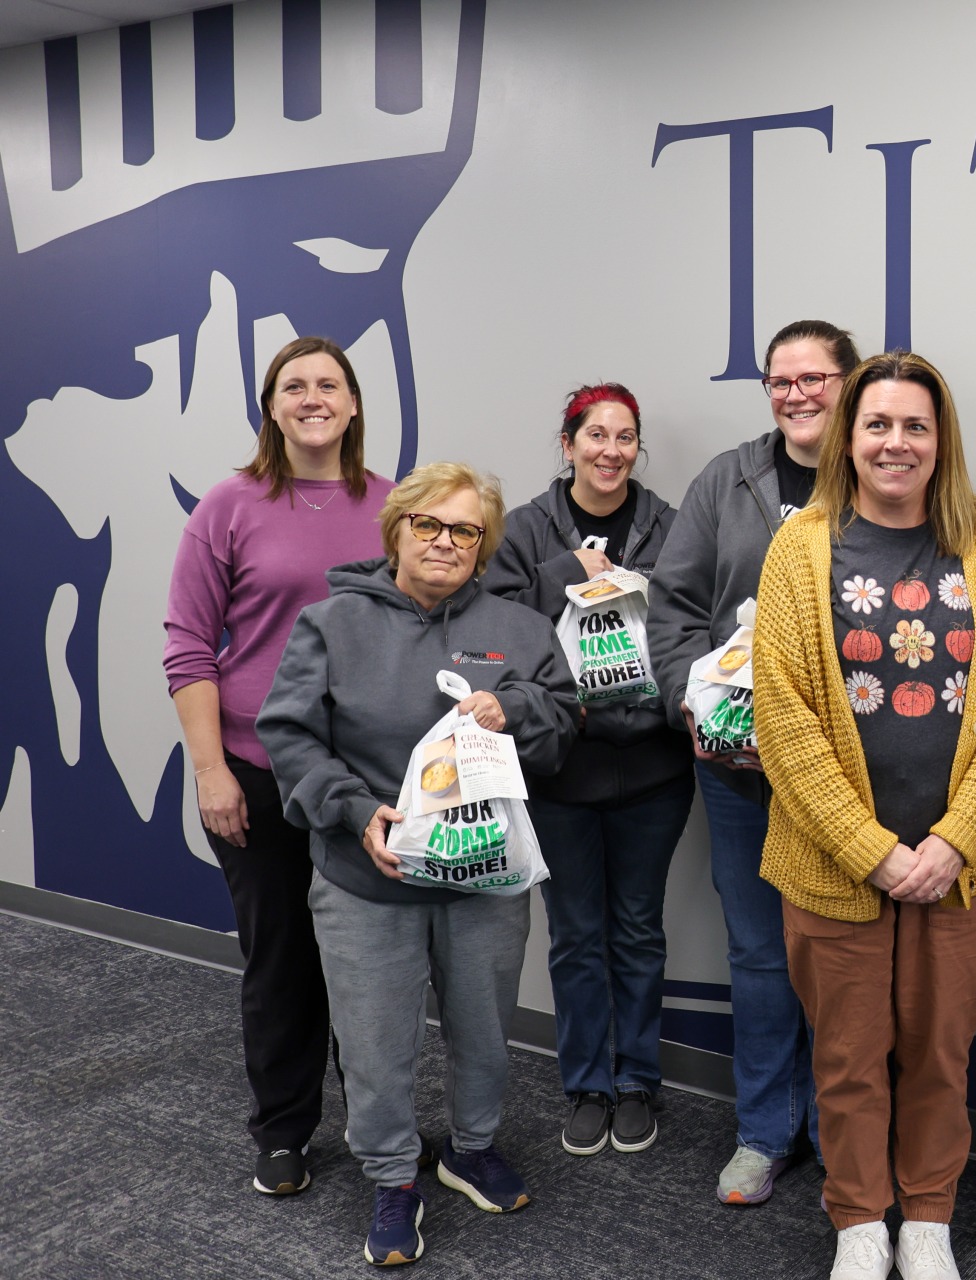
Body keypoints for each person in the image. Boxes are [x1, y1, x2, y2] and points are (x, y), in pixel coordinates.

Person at [754, 350, 976, 1280]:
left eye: (916, 425)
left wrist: (952, 841)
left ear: (941, 439)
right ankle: (858, 1222)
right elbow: (783, 718)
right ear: (848, 436)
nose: (895, 442)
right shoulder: (803, 546)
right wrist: (873, 851)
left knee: (939, 1057)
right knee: (847, 1059)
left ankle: (927, 1217)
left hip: (960, 866)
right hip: (835, 863)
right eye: (877, 424)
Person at [257, 463, 576, 1267]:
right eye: (429, 525)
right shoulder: (329, 624)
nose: (445, 542)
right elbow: (289, 736)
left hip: (484, 883)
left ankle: (470, 1149)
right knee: (374, 1042)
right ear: (396, 529)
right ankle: (393, 1177)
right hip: (368, 882)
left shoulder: (521, 627)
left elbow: (565, 718)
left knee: (484, 1032)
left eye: (465, 531)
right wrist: (356, 812)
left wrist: (517, 707)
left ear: (484, 546)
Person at [162, 336, 395, 1197]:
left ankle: (380, 1131)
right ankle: (285, 1129)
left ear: (354, 403)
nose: (311, 397)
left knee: (367, 961)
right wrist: (209, 770)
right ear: (271, 407)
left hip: (362, 775)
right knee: (283, 958)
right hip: (257, 769)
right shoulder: (229, 504)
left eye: (328, 383)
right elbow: (188, 648)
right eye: (292, 385)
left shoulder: (393, 503)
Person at [648, 319, 860, 1205]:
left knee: (848, 955)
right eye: (781, 380)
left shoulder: (889, 471)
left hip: (855, 779)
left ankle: (845, 1138)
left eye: (815, 378)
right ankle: (766, 1132)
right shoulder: (728, 481)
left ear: (849, 382)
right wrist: (687, 702)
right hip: (738, 772)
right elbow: (672, 606)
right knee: (762, 956)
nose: (798, 394)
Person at [487, 383, 694, 1157]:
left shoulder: (670, 528)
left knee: (638, 930)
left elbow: (689, 619)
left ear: (638, 448)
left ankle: (637, 1080)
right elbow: (493, 624)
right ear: (567, 443)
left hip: (652, 768)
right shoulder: (524, 530)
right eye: (595, 435)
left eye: (626, 437)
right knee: (575, 935)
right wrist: (560, 575)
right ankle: (587, 1086)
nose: (611, 450)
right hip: (557, 770)